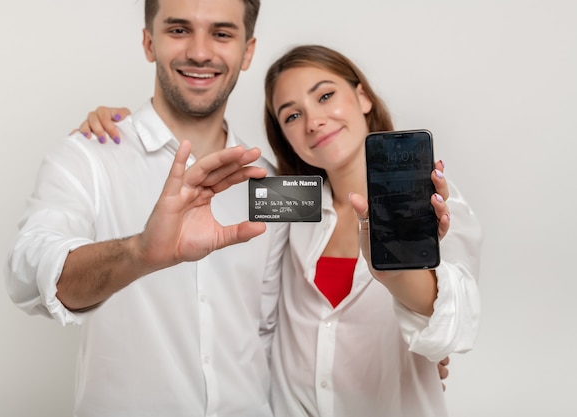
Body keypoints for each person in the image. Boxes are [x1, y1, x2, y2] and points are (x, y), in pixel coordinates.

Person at [80, 45, 481, 416]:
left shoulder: (433, 205)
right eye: (292, 115)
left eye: (325, 96)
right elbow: (190, 193)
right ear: (284, 135)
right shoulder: (294, 200)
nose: (313, 121)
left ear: (363, 97)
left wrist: (395, 266)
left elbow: (451, 326)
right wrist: (126, 135)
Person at [5, 1, 290, 416]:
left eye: (222, 34)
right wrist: (139, 253)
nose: (199, 51)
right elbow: (27, 273)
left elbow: (266, 329)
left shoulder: (269, 181)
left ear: (247, 51)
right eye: (178, 30)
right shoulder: (87, 157)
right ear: (148, 41)